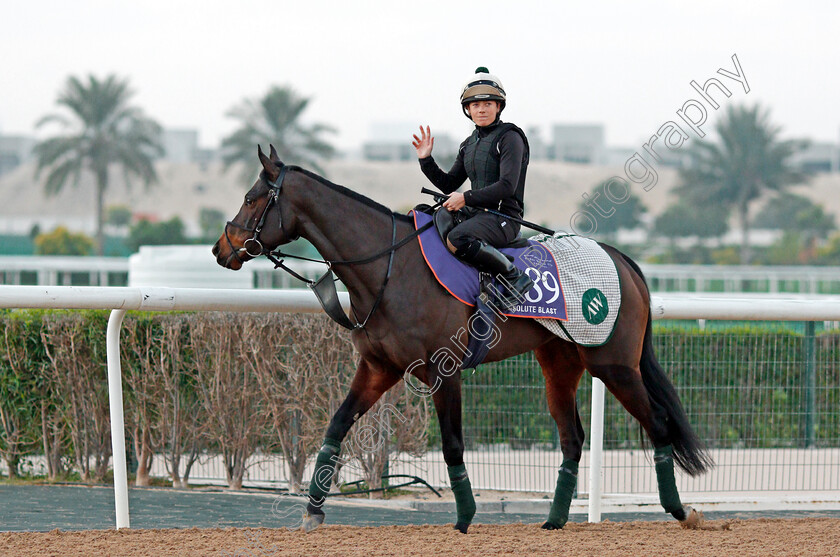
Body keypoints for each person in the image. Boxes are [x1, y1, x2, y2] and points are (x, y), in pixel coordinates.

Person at [412, 66, 534, 308]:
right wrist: (426, 159)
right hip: (476, 213)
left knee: (458, 237)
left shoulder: (510, 137)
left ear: (499, 106)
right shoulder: (469, 144)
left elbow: (507, 186)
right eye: (475, 105)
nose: (481, 109)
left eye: (488, 104)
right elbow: (448, 183)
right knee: (425, 215)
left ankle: (514, 277)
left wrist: (465, 198)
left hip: (504, 218)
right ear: (467, 109)